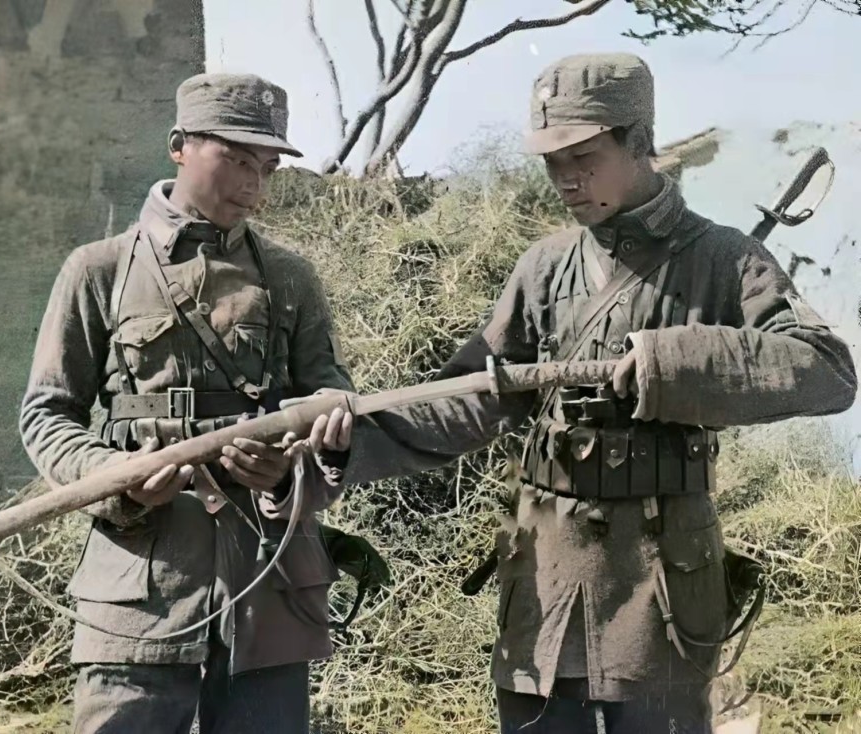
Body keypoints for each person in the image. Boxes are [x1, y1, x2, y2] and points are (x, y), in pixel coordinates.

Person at [299, 53, 858, 732]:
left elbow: (826, 369)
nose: (565, 179)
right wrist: (344, 444)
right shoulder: (546, 266)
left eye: (583, 157)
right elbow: (472, 395)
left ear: (639, 142)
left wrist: (669, 364)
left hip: (659, 590)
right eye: (551, 162)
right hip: (545, 583)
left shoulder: (724, 258)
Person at [19, 72, 356, 734]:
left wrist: (288, 473)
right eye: (234, 159)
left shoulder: (290, 279)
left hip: (266, 588)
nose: (253, 184)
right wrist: (112, 479)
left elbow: (335, 410)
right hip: (138, 598)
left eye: (265, 166)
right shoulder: (100, 271)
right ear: (179, 145)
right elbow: (47, 414)